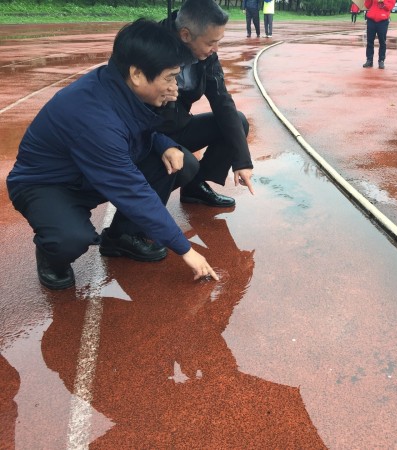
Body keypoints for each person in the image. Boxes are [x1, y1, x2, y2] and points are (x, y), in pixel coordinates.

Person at [6, 19, 219, 290]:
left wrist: (164, 142)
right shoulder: (93, 116)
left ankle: (122, 237)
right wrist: (185, 249)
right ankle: (51, 255)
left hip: (90, 171)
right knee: (71, 238)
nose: (173, 86)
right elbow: (130, 188)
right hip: (49, 184)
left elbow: (141, 127)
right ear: (138, 74)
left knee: (180, 161)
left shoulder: (118, 83)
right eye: (168, 78)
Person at [159, 0, 255, 208]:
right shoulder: (151, 46)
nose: (215, 49)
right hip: (146, 135)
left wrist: (243, 161)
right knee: (186, 163)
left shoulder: (205, 56)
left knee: (237, 122)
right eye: (211, 43)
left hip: (178, 125)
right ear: (185, 35)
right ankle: (138, 214)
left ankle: (194, 186)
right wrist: (162, 145)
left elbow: (222, 102)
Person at [362, 0, 395, 69]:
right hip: (371, 20)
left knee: (382, 42)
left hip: (383, 21)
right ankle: (369, 60)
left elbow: (390, 7)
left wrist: (383, 1)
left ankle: (381, 61)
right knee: (369, 41)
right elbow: (367, 5)